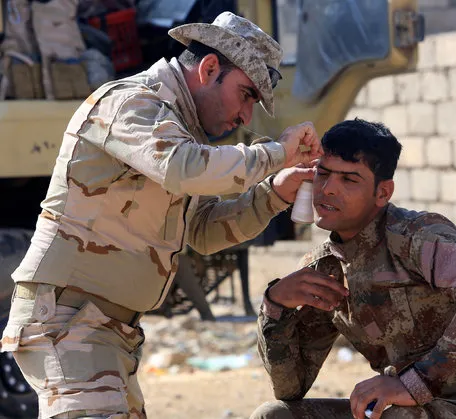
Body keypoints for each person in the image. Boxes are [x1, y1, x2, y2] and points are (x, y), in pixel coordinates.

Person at [0, 12, 322, 419]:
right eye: (246, 95)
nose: (246, 116)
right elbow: (182, 168)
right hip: (68, 323)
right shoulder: (133, 102)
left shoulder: (181, 132)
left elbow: (203, 231)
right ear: (208, 69)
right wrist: (276, 154)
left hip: (106, 331)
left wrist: (274, 195)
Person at [251, 119, 456, 419]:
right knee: (274, 415)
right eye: (323, 174)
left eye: (349, 180)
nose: (329, 189)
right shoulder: (325, 270)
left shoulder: (415, 236)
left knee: (396, 416)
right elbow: (290, 388)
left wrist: (417, 383)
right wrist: (275, 306)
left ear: (382, 192)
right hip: (411, 409)